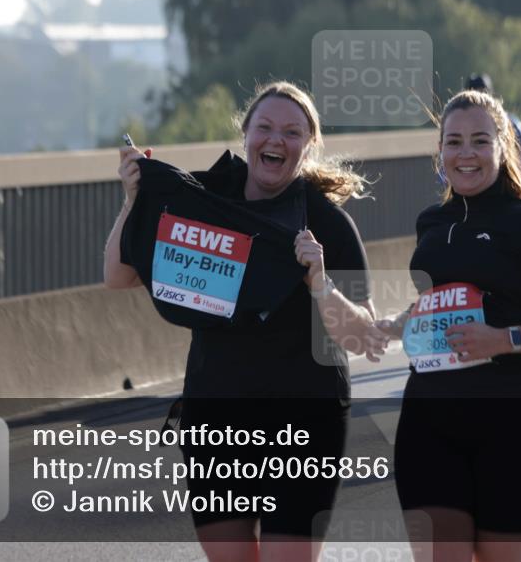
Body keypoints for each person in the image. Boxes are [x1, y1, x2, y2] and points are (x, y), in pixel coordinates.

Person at [103, 81, 389, 560]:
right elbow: (119, 276)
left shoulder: (326, 223)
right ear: (246, 135)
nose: (276, 140)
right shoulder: (208, 202)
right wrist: (133, 200)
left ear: (310, 144)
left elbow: (365, 339)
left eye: (292, 132)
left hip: (304, 425)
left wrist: (319, 281)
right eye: (265, 127)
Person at [375, 89, 521, 561]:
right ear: (440, 152)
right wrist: (401, 323)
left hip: (516, 421)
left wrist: (503, 339)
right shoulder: (431, 221)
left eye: (479, 140)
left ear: (503, 147)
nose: (465, 153)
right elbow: (442, 301)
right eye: (453, 142)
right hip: (430, 420)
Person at [465, 73, 521, 175]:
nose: (479, 99)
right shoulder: (460, 125)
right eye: (474, 94)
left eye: (482, 93)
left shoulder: (509, 121)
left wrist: (516, 176)